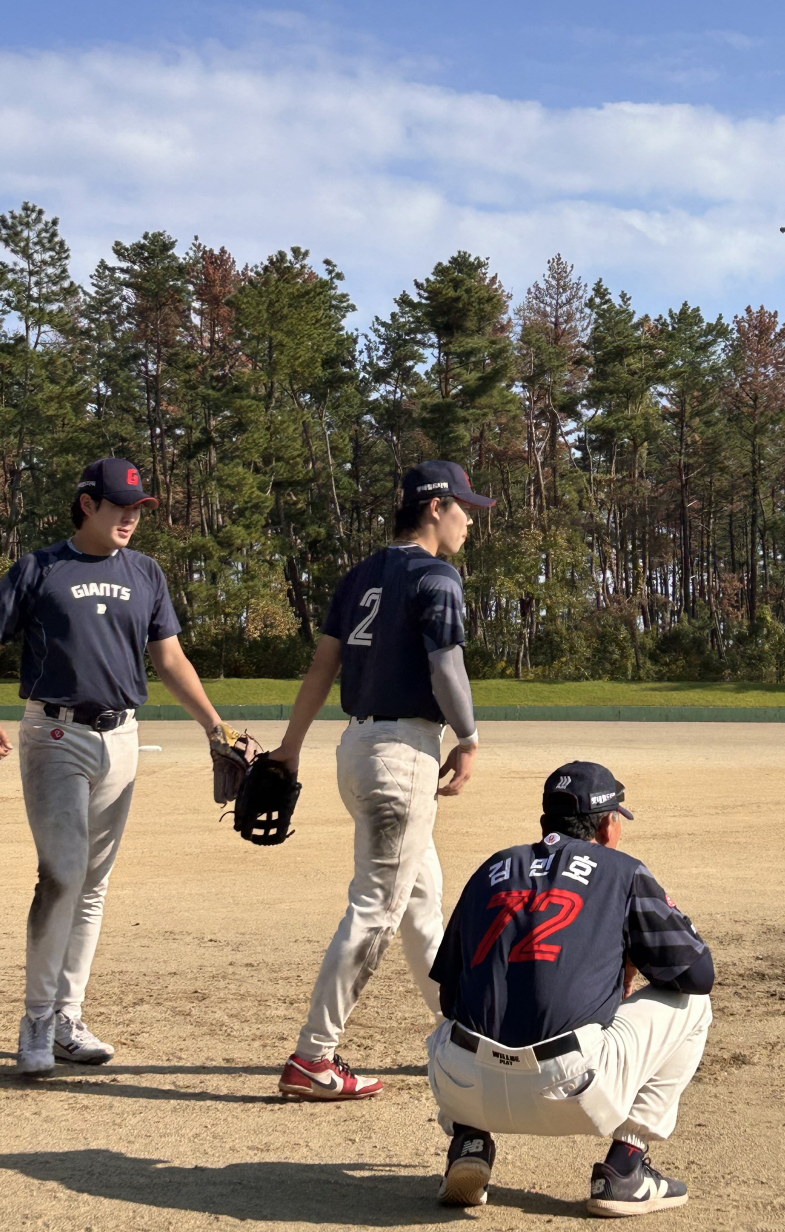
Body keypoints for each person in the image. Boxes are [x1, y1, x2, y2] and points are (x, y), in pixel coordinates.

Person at [0, 458, 228, 1078]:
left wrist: (216, 727)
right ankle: (34, 1016)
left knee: (93, 882)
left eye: (138, 508)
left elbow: (169, 659)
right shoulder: (38, 568)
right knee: (61, 872)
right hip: (54, 731)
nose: (131, 518)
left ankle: (66, 1018)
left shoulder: (146, 573)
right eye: (120, 507)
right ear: (87, 504)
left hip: (122, 736)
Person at [270, 459, 494, 1102]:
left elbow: (320, 669)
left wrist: (292, 746)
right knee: (377, 908)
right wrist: (470, 738)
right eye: (464, 510)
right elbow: (446, 667)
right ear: (435, 507)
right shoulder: (435, 575)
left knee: (422, 902)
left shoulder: (361, 574)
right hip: (403, 754)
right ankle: (313, 1057)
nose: (468, 524)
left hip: (360, 747)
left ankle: (462, 1031)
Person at [426, 761, 714, 1218]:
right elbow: (698, 976)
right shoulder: (623, 871)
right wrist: (625, 961)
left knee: (460, 1018)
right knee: (694, 1007)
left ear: (546, 821)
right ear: (605, 825)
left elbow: (447, 996)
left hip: (464, 1084)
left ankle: (470, 1142)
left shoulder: (492, 868)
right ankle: (625, 1171)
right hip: (573, 1090)